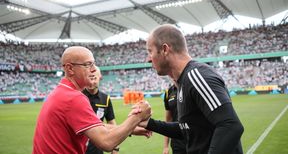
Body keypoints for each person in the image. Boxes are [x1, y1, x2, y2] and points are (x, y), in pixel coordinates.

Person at [140, 24, 244, 154]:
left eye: (150, 51)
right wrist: (149, 123)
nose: (148, 59)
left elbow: (230, 126)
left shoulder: (196, 76)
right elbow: (189, 128)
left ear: (165, 49)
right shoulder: (183, 82)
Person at [33, 46, 151, 154]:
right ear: (70, 69)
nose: (94, 69)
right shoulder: (74, 98)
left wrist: (130, 129)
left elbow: (97, 127)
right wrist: (137, 117)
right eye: (88, 64)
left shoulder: (61, 92)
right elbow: (106, 142)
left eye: (94, 64)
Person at [83, 67, 119, 154]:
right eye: (89, 77)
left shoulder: (105, 99)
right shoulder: (78, 96)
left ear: (100, 77)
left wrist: (116, 147)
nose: (92, 80)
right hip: (79, 148)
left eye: (94, 77)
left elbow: (112, 123)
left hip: (97, 149)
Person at [163, 84, 186, 154]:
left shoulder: (191, 86)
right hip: (177, 142)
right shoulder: (168, 92)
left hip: (195, 140)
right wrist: (165, 146)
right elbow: (168, 120)